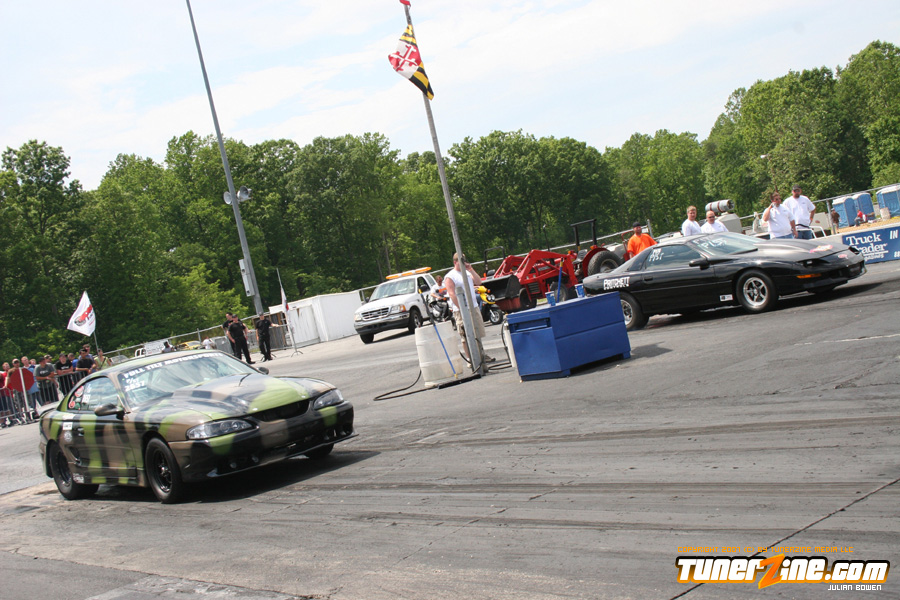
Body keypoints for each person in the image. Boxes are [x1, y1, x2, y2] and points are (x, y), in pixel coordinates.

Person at [444, 252, 495, 367]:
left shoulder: (466, 272)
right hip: (461, 310)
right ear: (455, 262)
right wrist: (462, 308)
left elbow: (478, 282)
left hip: (474, 306)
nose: (463, 263)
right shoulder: (450, 276)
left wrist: (471, 269)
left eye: (464, 260)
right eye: (460, 261)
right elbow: (451, 294)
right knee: (465, 335)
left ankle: (481, 355)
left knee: (478, 332)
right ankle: (470, 358)